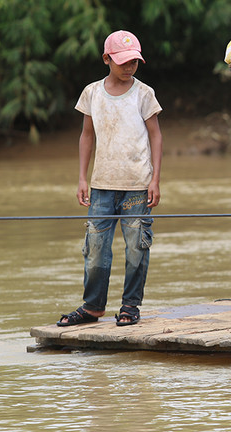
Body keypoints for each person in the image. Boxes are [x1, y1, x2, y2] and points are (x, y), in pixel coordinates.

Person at [58, 30, 162, 327]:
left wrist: (155, 179)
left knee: (136, 248)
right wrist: (82, 178)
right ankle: (93, 307)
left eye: (134, 62)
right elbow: (86, 136)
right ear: (107, 59)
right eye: (123, 62)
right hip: (101, 185)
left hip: (137, 185)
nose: (129, 67)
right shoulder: (92, 93)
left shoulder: (144, 93)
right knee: (95, 249)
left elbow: (155, 136)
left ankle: (130, 305)